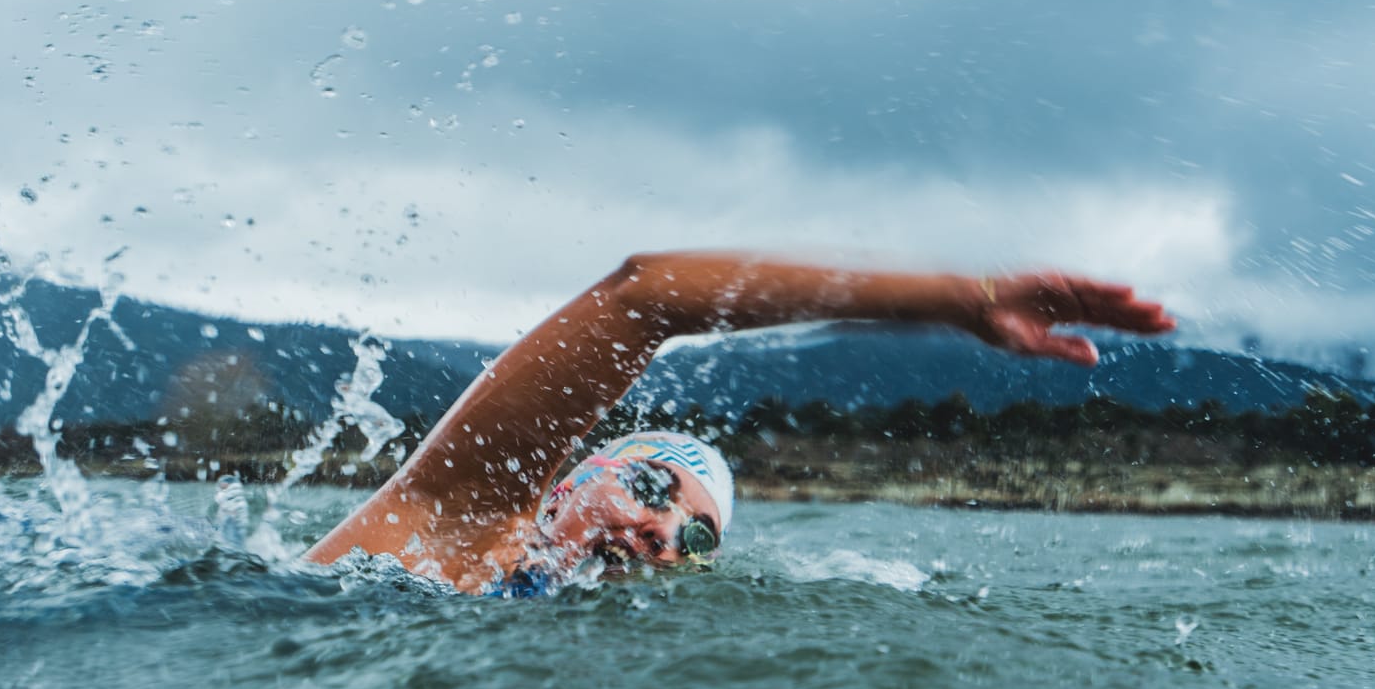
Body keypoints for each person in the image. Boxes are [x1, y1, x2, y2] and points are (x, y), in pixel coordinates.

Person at [304, 252, 1176, 594]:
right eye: (653, 486)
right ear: (566, 483)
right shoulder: (455, 525)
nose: (663, 530)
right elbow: (644, 296)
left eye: (696, 539)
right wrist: (956, 299)